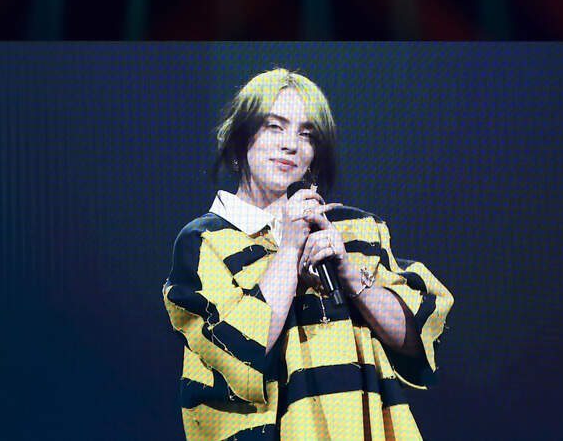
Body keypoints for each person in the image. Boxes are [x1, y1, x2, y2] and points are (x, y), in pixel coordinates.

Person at [162, 67, 453, 440]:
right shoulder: (205, 242)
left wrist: (350, 276)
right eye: (274, 127)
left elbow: (416, 341)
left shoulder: (356, 231)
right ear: (240, 138)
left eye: (306, 134)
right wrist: (289, 249)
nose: (291, 145)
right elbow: (240, 352)